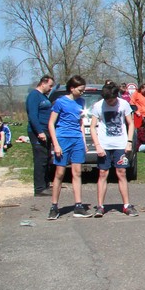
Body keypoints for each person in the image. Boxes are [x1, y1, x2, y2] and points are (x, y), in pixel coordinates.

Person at [89, 80, 138, 217]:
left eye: (111, 100)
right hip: (104, 144)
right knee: (102, 173)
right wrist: (97, 145)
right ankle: (100, 206)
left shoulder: (123, 104)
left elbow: (130, 124)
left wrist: (129, 142)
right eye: (107, 101)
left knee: (121, 173)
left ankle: (126, 205)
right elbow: (92, 127)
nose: (110, 103)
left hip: (120, 144)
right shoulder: (98, 106)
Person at [48, 75, 92, 219]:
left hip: (77, 139)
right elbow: (51, 124)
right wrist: (56, 144)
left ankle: (78, 206)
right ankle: (54, 206)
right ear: (72, 88)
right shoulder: (60, 102)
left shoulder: (81, 102)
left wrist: (84, 142)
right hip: (63, 139)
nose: (82, 92)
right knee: (60, 173)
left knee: (77, 172)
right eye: (80, 90)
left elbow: (80, 123)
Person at [25, 75, 55, 195]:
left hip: (46, 131)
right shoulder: (34, 96)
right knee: (40, 159)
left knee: (46, 159)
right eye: (50, 85)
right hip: (38, 132)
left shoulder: (43, 96)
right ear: (43, 83)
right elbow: (32, 115)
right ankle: (39, 188)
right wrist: (39, 131)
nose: (51, 88)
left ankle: (46, 185)